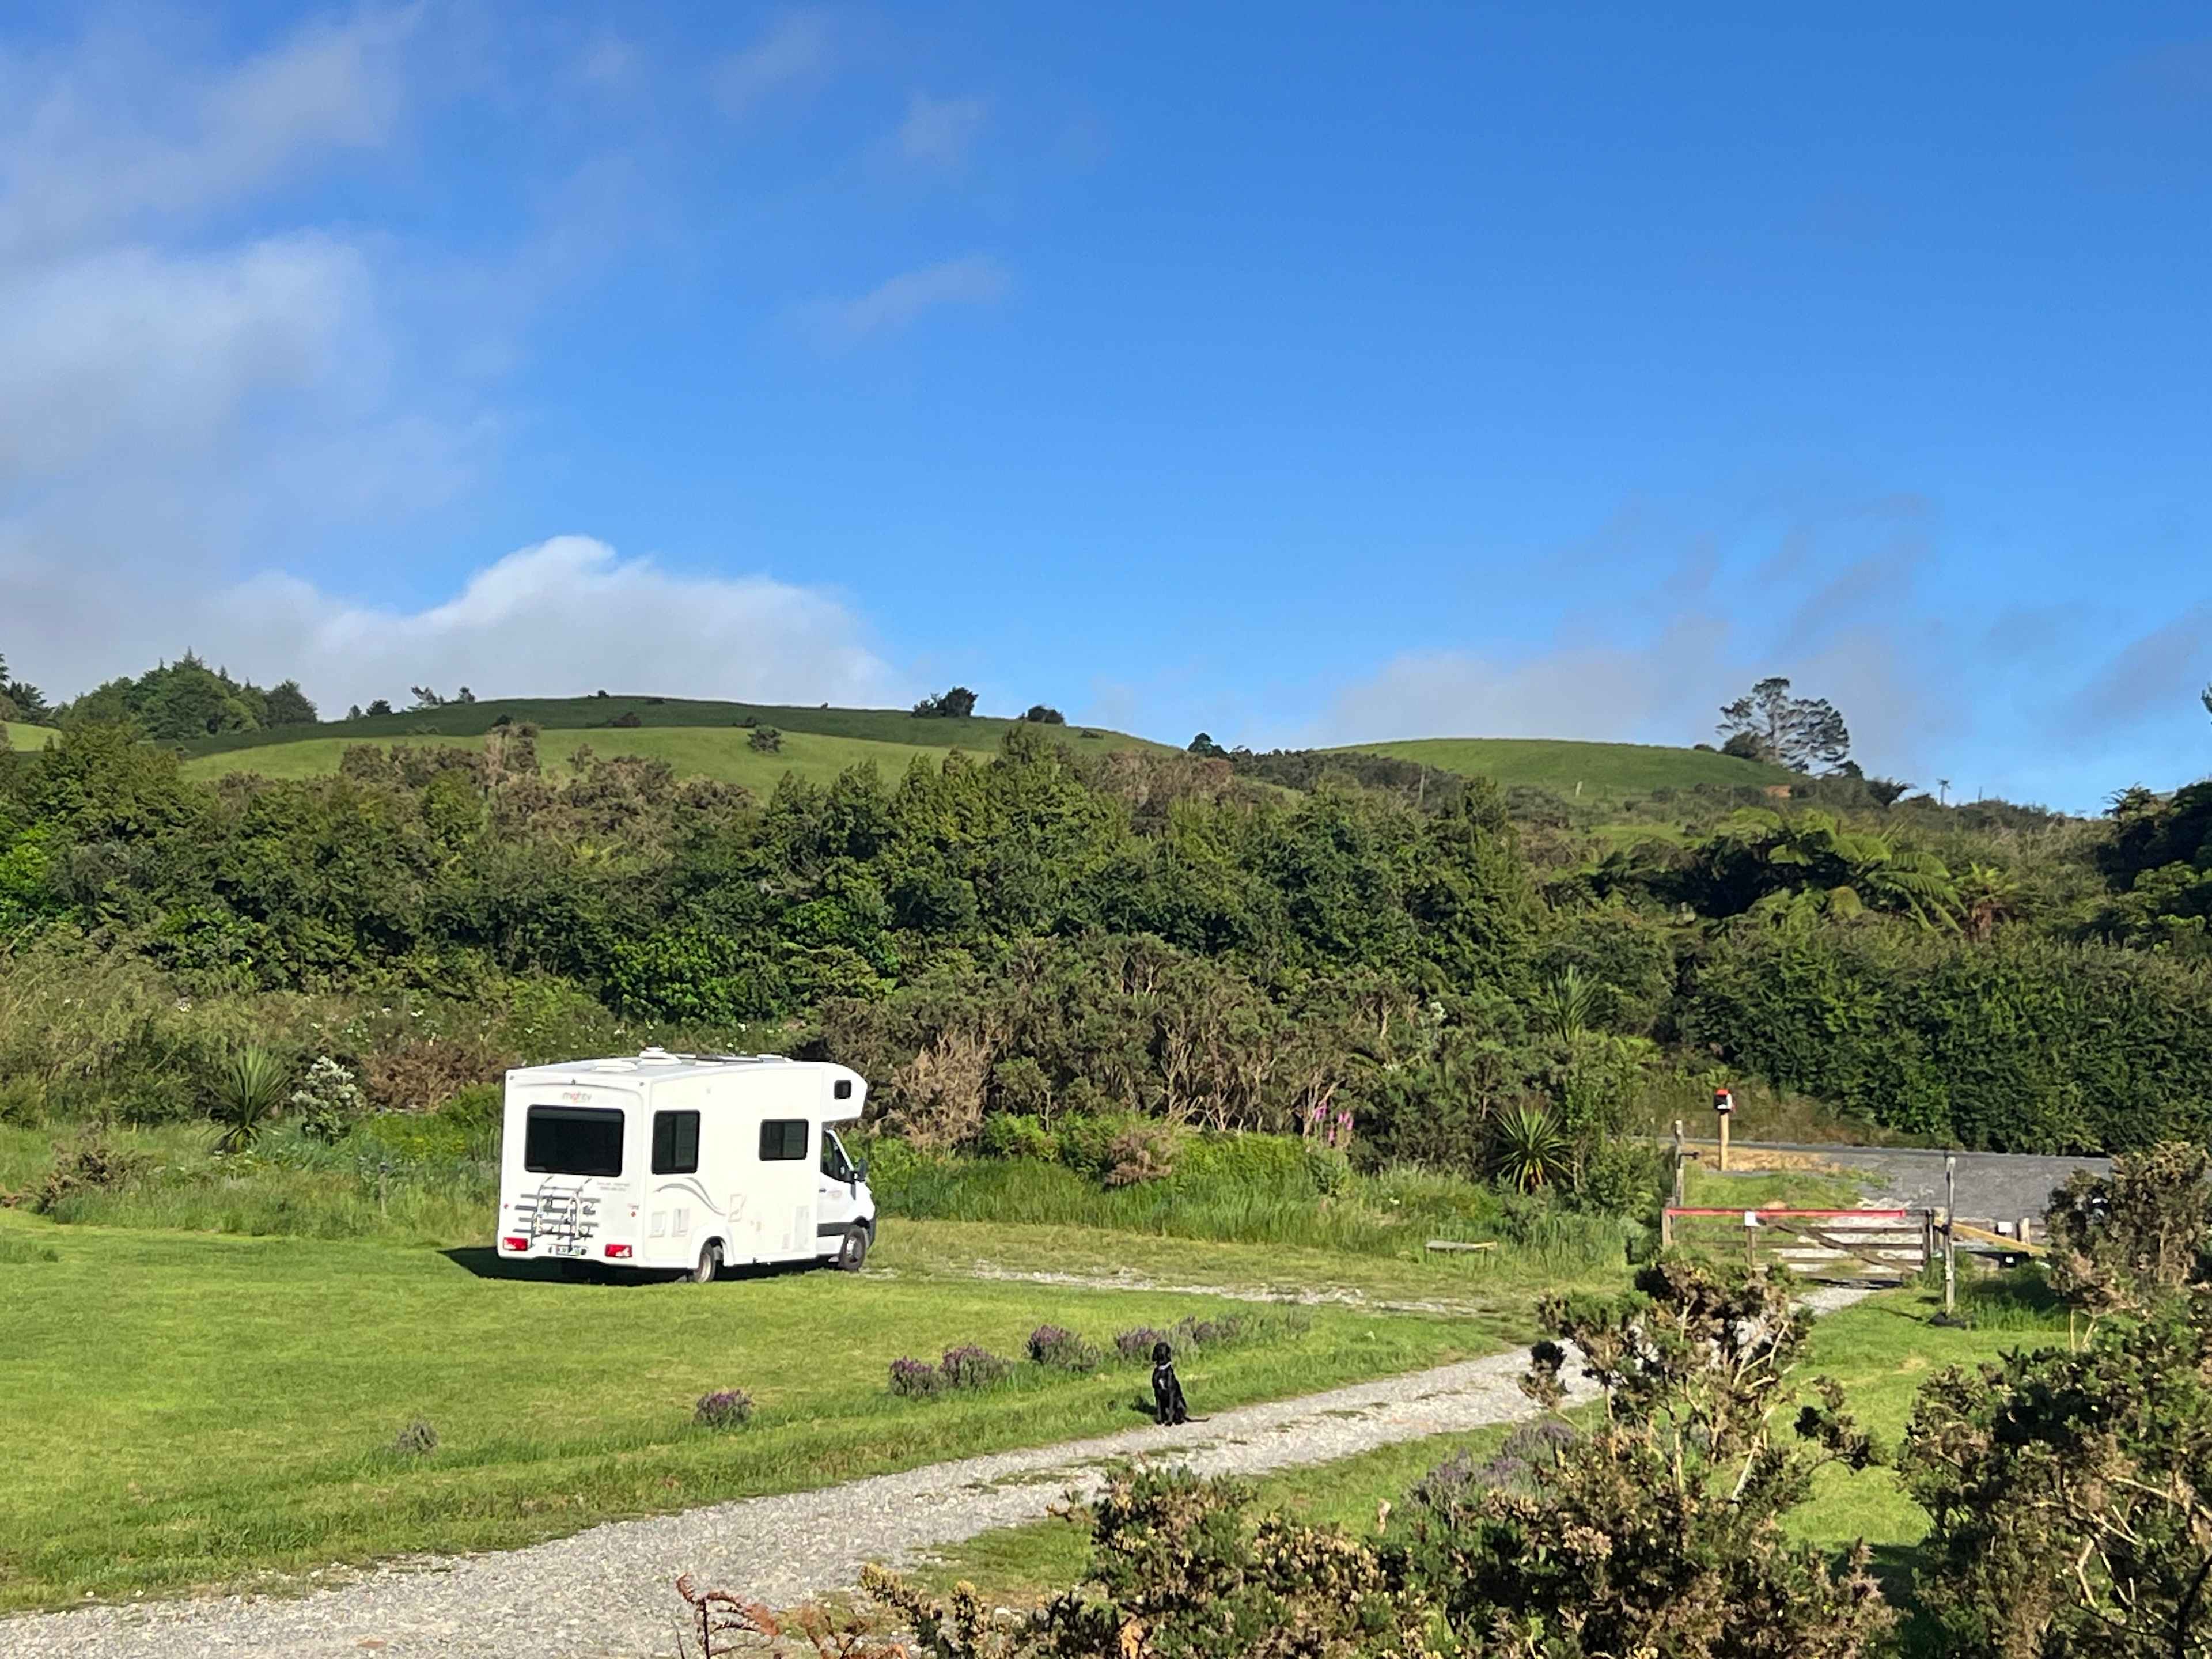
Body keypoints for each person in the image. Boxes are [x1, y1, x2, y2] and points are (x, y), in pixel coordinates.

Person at [1150, 1340, 1190, 1426]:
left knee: (1175, 1398)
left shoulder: (1169, 1373)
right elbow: (1157, 1395)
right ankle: (1161, 1417)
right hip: (1165, 1404)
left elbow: (1173, 1395)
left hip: (1176, 1403)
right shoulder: (1156, 1374)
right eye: (1158, 1350)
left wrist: (1170, 1420)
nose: (1160, 1352)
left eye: (1162, 1350)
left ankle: (1175, 1418)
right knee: (1158, 1393)